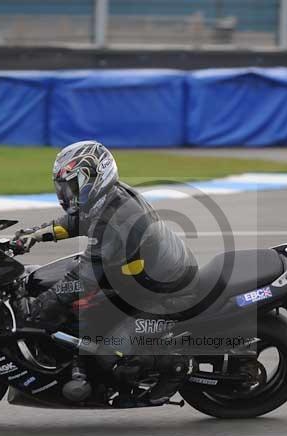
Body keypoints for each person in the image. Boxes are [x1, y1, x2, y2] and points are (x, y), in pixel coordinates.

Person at [13, 140, 197, 398]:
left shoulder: (119, 216)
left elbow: (86, 278)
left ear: (93, 178)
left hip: (165, 295)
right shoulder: (104, 199)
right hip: (139, 280)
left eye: (72, 186)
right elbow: (75, 222)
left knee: (109, 355)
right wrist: (35, 235)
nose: (65, 194)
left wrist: (43, 305)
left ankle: (172, 373)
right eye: (63, 187)